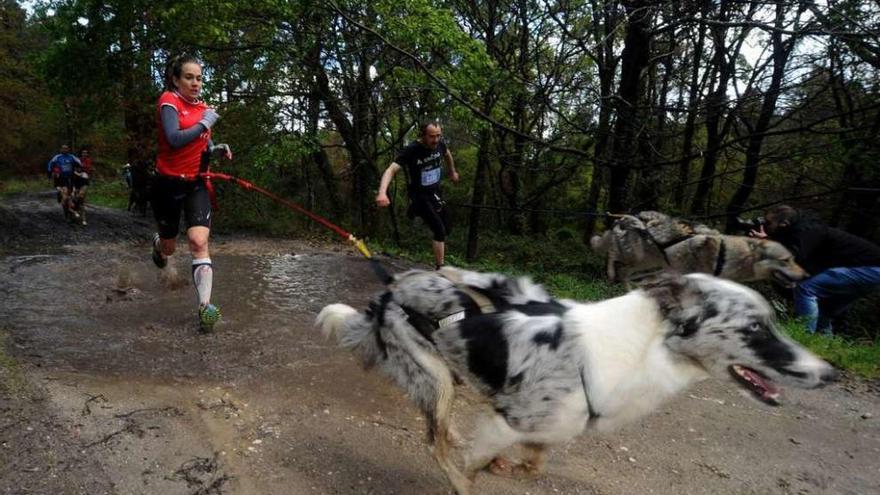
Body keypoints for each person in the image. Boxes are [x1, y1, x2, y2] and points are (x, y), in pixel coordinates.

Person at [151, 54, 233, 332]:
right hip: (167, 185)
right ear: (176, 79)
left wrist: (216, 148)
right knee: (169, 247)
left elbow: (198, 147)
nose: (195, 83)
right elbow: (174, 140)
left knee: (199, 242)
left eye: (198, 78)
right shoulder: (169, 102)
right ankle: (159, 245)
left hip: (195, 183)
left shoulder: (203, 109)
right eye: (189, 77)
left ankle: (204, 309)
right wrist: (205, 124)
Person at [750, 204, 880, 334]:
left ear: (784, 223)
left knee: (805, 289)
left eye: (768, 223)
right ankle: (823, 344)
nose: (766, 225)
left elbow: (792, 258)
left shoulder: (808, 231)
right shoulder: (800, 229)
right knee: (823, 309)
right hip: (869, 271)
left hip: (870, 268)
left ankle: (805, 335)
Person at [376, 122, 460, 270]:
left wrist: (452, 171)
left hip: (435, 192)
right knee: (439, 230)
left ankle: (413, 211)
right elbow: (391, 170)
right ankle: (440, 269)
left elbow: (447, 154)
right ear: (423, 135)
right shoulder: (412, 150)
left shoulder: (440, 144)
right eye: (432, 136)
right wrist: (382, 192)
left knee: (447, 228)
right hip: (420, 195)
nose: (436, 140)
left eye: (438, 136)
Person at [46, 144, 81, 221]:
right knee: (65, 198)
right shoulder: (57, 157)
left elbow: (79, 163)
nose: (64, 150)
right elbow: (50, 165)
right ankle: (66, 214)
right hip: (62, 180)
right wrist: (49, 174)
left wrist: (79, 169)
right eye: (63, 149)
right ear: (61, 149)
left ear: (68, 149)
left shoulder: (72, 157)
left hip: (71, 179)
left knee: (74, 197)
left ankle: (74, 211)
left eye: (66, 148)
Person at [71, 148, 93, 225]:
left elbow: (88, 168)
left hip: (84, 179)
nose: (84, 154)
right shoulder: (78, 160)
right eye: (83, 153)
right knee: (74, 197)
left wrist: (82, 170)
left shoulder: (88, 160)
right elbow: (74, 169)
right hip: (76, 181)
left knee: (81, 197)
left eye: (85, 153)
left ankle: (82, 216)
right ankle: (75, 211)